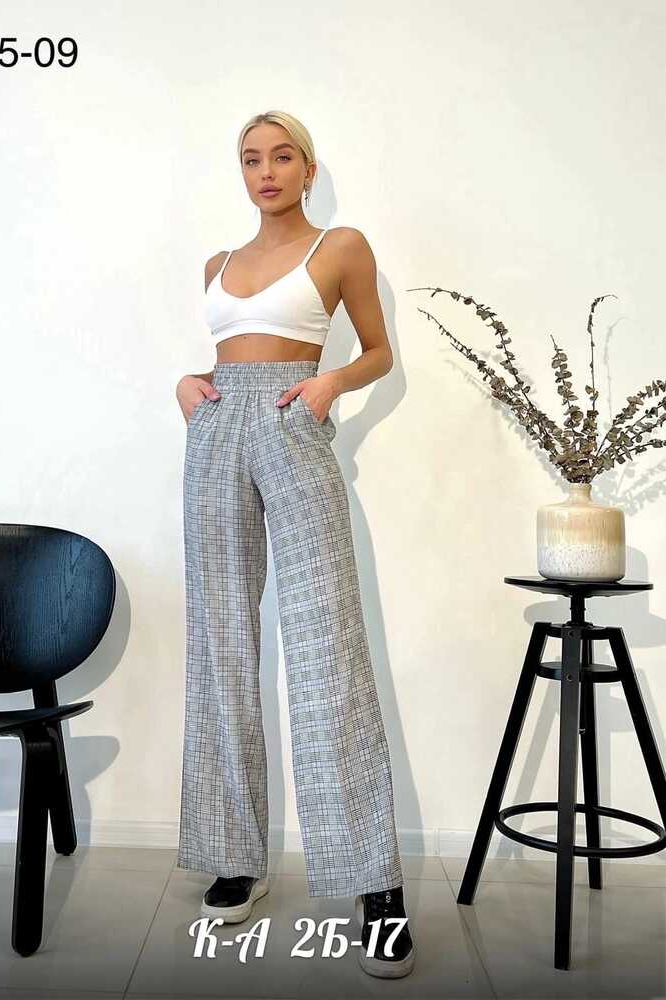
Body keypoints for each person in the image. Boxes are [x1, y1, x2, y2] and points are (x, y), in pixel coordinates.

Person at [174, 110, 414, 979]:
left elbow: (379, 352)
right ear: (240, 172)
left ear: (308, 169)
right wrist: (189, 384)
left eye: (282, 157)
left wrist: (327, 385)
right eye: (251, 159)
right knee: (220, 644)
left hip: (293, 420)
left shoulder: (339, 246)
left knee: (326, 648)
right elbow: (225, 353)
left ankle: (373, 882)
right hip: (217, 429)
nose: (266, 171)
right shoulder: (217, 264)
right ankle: (234, 855)